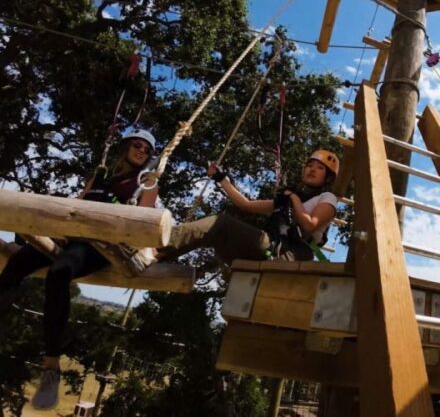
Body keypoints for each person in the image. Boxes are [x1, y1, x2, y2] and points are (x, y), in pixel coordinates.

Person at [0, 129, 160, 410]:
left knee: (59, 272)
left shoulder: (145, 183)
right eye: (137, 145)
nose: (141, 151)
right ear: (125, 146)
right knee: (20, 261)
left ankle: (51, 366)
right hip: (71, 237)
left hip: (101, 247)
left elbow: (145, 224)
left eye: (147, 150)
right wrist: (60, 230)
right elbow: (75, 207)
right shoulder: (100, 177)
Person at [160, 149, 339, 264]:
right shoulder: (288, 201)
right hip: (272, 246)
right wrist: (221, 179)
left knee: (221, 224)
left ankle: (157, 247)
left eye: (320, 168)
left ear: (328, 177)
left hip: (294, 253)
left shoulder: (327, 197)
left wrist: (293, 198)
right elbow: (244, 204)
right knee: (218, 235)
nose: (312, 170)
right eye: (309, 165)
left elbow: (309, 224)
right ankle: (157, 255)